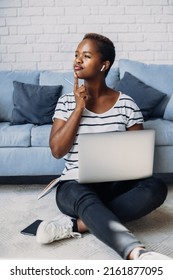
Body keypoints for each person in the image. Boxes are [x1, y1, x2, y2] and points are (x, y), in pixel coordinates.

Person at [36, 33, 171, 260]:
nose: (77, 60)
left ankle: (77, 224)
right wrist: (79, 108)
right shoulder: (67, 102)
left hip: (115, 184)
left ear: (103, 65)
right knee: (85, 198)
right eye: (76, 55)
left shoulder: (127, 104)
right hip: (74, 185)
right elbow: (57, 150)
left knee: (156, 187)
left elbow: (137, 161)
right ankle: (136, 252)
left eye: (86, 56)